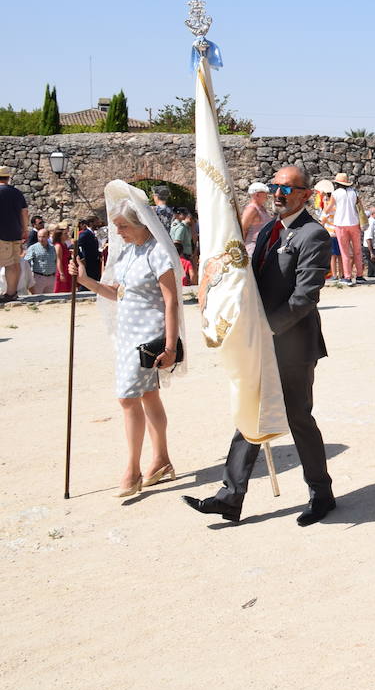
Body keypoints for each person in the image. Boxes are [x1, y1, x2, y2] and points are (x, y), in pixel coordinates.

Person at [184, 165, 337, 526]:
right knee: (250, 413)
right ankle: (230, 497)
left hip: (293, 345)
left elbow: (305, 297)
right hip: (260, 341)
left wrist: (266, 329)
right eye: (275, 187)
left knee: (298, 418)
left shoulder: (312, 235)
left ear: (305, 195)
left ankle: (321, 495)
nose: (279, 194)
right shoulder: (270, 229)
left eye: (287, 189)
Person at [70, 184, 185, 497]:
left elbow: (171, 301)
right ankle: (161, 460)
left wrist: (171, 346)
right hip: (126, 334)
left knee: (127, 398)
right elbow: (118, 294)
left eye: (121, 226)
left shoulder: (158, 252)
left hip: (148, 336)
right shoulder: (129, 252)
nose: (116, 231)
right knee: (147, 395)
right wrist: (85, 281)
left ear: (139, 224)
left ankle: (132, 469)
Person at [0, 165, 30, 303]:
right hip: (15, 233)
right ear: (8, 178)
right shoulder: (17, 192)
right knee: (13, 264)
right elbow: (24, 213)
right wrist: (24, 230)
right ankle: (11, 293)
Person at [331, 173, 365, 285]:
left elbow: (328, 208)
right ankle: (359, 275)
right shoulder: (354, 192)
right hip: (354, 223)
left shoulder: (335, 193)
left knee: (344, 252)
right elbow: (359, 206)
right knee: (357, 250)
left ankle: (347, 277)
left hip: (340, 224)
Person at [241, 182, 272, 256]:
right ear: (257, 194)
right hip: (252, 249)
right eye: (265, 193)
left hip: (261, 247)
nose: (267, 196)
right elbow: (243, 229)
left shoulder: (261, 208)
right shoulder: (251, 209)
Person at [23, 228, 57, 295]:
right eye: (39, 237)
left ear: (48, 237)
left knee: (50, 299)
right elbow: (27, 262)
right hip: (38, 278)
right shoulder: (33, 248)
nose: (41, 239)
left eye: (43, 237)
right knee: (37, 299)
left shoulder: (53, 248)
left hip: (51, 278)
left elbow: (56, 261)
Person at [76, 217, 102, 282]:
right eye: (96, 222)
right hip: (89, 263)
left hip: (95, 263)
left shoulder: (93, 233)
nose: (98, 224)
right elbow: (76, 245)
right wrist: (81, 258)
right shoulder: (85, 233)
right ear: (91, 223)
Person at [51, 224, 74, 294]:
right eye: (65, 234)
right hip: (62, 269)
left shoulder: (65, 244)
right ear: (60, 235)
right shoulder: (58, 246)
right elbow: (59, 260)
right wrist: (61, 273)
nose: (67, 235)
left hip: (67, 269)